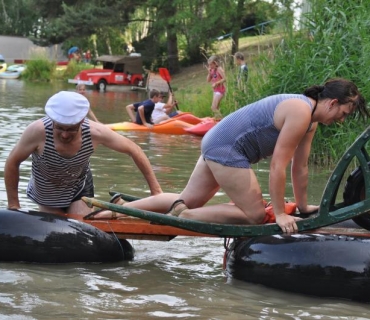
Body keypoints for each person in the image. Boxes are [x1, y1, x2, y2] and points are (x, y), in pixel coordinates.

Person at [95, 78, 369, 233]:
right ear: (333, 103)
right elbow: (277, 167)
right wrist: (280, 216)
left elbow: (300, 168)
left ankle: (114, 209)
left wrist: (302, 205)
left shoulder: (310, 120)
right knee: (252, 215)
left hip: (217, 143)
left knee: (185, 196)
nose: (341, 120)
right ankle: (185, 215)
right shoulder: (300, 112)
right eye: (343, 114)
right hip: (226, 149)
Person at [4, 91, 162, 216]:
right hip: (47, 192)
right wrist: (14, 205)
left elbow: (134, 149)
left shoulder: (95, 132)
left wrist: (156, 192)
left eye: (71, 129)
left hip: (79, 187)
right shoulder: (37, 132)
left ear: (81, 122)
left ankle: (115, 210)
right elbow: (12, 162)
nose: (65, 135)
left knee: (80, 227)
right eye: (59, 128)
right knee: (57, 233)